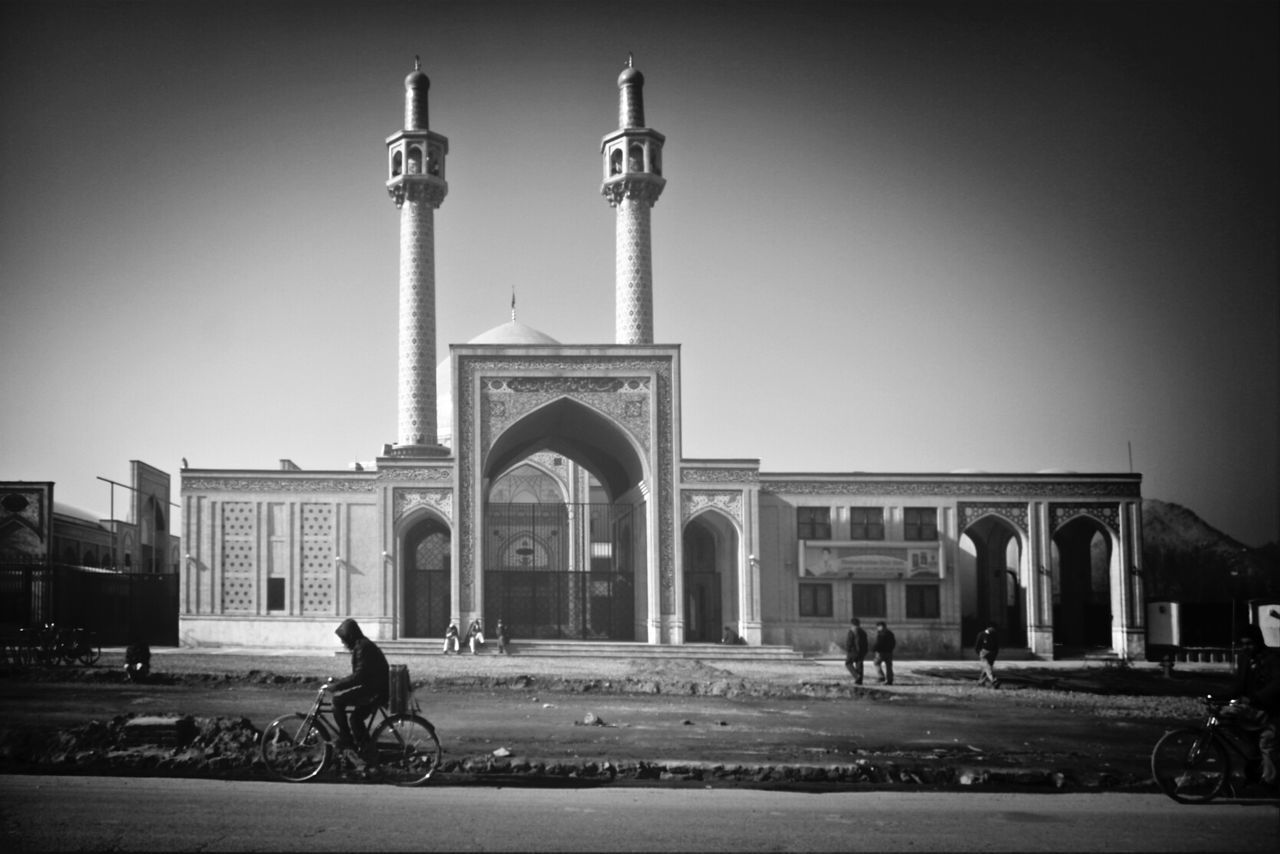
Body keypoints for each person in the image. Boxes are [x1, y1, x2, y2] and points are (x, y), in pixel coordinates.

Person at [1224, 623, 1280, 784]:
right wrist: (1219, 696)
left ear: (1258, 641)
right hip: (1254, 709)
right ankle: (1254, 768)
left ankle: (1270, 782)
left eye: (1249, 643)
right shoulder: (1245, 660)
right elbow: (1239, 685)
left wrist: (1255, 698)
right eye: (1243, 644)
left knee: (1267, 742)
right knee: (1227, 719)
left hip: (1271, 710)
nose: (1246, 647)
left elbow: (1277, 685)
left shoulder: (1272, 659)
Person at [325, 618, 389, 758]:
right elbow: (360, 674)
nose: (343, 642)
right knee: (355, 719)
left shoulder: (362, 648)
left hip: (375, 691)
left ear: (350, 636)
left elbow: (359, 676)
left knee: (337, 701)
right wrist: (338, 683)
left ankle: (346, 738)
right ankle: (365, 748)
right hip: (376, 688)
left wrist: (335, 687)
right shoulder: (362, 645)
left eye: (343, 639)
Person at [975, 623, 1001, 689]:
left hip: (986, 652)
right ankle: (981, 682)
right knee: (986, 668)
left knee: (987, 668)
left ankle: (994, 680)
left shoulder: (982, 634)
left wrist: (980, 653)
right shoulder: (994, 634)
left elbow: (977, 646)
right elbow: (997, 646)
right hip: (991, 652)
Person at [844, 617, 868, 685]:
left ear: (851, 624)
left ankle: (856, 676)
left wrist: (848, 649)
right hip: (862, 651)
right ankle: (859, 681)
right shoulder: (863, 631)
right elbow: (866, 642)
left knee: (848, 663)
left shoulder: (852, 631)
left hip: (853, 651)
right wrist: (865, 651)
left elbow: (849, 642)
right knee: (859, 665)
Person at [872, 621, 896, 685]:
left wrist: (874, 649)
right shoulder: (890, 633)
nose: (877, 628)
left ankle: (881, 676)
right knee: (889, 666)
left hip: (881, 652)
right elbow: (893, 643)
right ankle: (889, 679)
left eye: (878, 627)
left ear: (881, 627)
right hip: (889, 652)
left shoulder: (881, 634)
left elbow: (878, 643)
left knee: (876, 663)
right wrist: (891, 649)